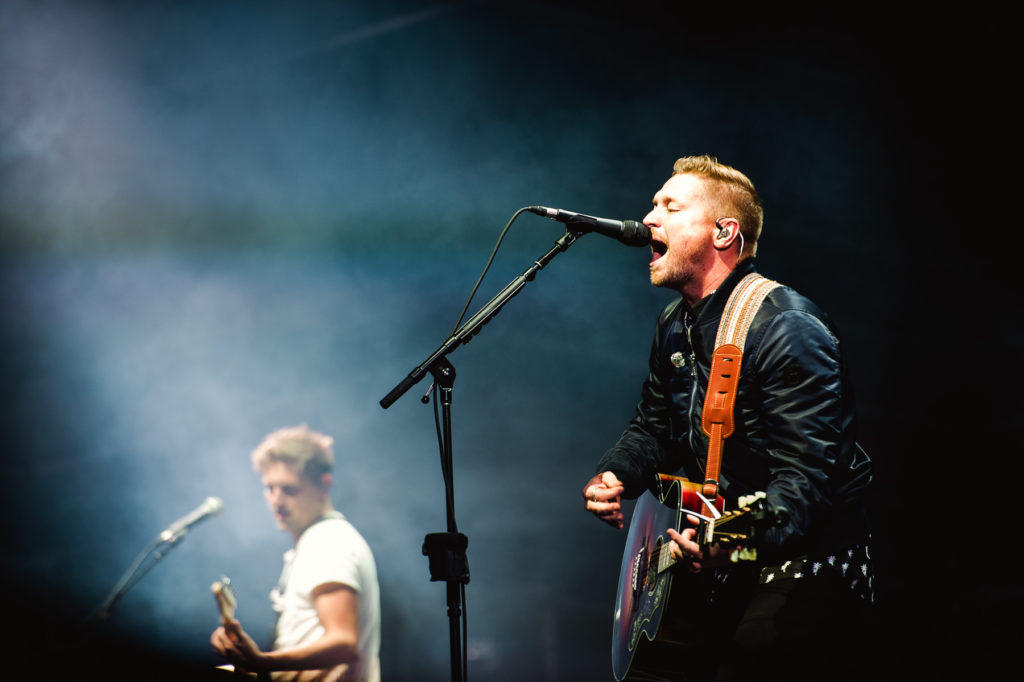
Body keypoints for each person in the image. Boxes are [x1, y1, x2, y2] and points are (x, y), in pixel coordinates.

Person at [582, 156, 874, 682]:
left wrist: (737, 540)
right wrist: (617, 473)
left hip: (806, 571)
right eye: (652, 206)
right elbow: (653, 424)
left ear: (724, 231)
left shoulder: (786, 326)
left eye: (670, 206)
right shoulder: (674, 325)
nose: (649, 219)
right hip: (722, 571)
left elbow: (809, 478)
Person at [211, 424, 381, 682]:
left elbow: (344, 643)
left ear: (324, 485)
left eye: (289, 489)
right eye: (270, 488)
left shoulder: (328, 542)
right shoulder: (316, 541)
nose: (276, 500)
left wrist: (261, 661)